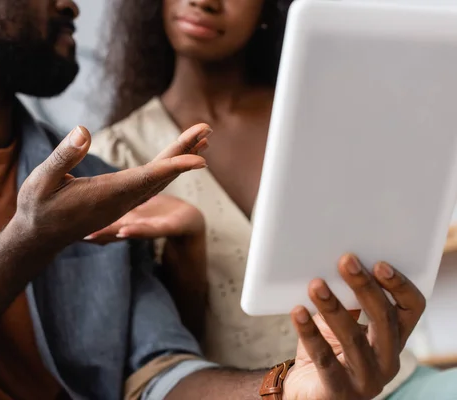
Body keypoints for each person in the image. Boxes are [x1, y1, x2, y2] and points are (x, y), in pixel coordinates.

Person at [0, 0, 427, 399]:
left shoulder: (100, 181)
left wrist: (286, 390)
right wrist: (25, 242)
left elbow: (157, 374)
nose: (74, 5)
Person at [89, 0, 457, 398]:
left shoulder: (327, 113)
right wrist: (187, 250)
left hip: (394, 385)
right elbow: (164, 365)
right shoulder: (115, 159)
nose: (203, 1)